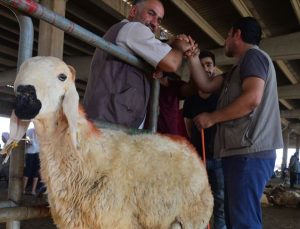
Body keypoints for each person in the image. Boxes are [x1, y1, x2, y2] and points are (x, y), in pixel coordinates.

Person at [186, 17, 283, 229]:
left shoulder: (253, 57)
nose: (225, 41)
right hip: (240, 153)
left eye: (228, 35)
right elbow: (206, 84)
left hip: (249, 152)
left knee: (242, 221)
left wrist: (211, 118)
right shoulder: (236, 70)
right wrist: (193, 56)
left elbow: (252, 99)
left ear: (237, 35)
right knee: (235, 218)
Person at [83, 0, 192, 129]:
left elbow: (161, 58)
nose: (155, 23)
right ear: (134, 11)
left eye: (159, 20)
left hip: (110, 123)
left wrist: (163, 58)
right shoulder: (134, 28)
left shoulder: (128, 34)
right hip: (109, 125)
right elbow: (172, 63)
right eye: (151, 13)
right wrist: (180, 46)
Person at [183, 50, 226, 229]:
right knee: (196, 198)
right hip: (198, 158)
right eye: (201, 66)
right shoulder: (190, 100)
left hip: (218, 157)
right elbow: (187, 126)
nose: (206, 68)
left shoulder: (221, 97)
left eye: (208, 64)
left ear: (214, 68)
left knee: (221, 199)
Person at [23, 128, 40, 196]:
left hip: (38, 152)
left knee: (36, 172)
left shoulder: (43, 130)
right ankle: (23, 190)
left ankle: (33, 191)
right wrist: (28, 142)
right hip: (29, 152)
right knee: (27, 171)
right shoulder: (29, 131)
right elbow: (25, 141)